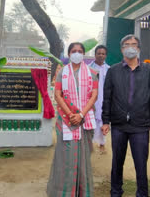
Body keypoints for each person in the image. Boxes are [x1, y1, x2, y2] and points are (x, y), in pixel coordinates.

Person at [101, 35, 150, 196]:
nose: (130, 47)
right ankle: (116, 192)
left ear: (138, 48)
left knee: (141, 163)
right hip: (119, 125)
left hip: (141, 125)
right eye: (127, 45)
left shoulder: (148, 71)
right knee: (117, 162)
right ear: (122, 49)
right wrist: (105, 120)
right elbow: (107, 97)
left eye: (134, 44)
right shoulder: (113, 71)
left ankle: (142, 193)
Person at [47, 42, 98, 196]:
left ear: (84, 54)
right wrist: (70, 115)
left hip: (85, 119)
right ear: (69, 54)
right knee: (65, 157)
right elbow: (57, 95)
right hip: (66, 120)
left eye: (80, 51)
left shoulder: (93, 72)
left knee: (84, 157)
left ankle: (82, 191)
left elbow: (94, 95)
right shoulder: (62, 72)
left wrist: (81, 114)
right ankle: (64, 191)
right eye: (74, 51)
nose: (77, 53)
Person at [89, 45, 110, 153]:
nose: (101, 55)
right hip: (91, 99)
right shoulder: (89, 68)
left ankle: (102, 144)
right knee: (90, 120)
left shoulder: (109, 69)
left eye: (103, 53)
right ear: (95, 54)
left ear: (106, 55)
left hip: (103, 99)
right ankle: (90, 144)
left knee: (102, 121)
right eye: (99, 53)